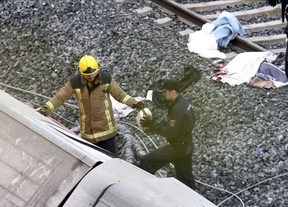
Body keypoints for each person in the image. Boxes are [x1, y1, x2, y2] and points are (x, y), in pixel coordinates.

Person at [38, 55, 145, 154]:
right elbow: (59, 98)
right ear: (81, 73)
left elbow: (120, 95)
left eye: (92, 74)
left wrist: (134, 103)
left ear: (97, 69)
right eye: (87, 75)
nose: (90, 77)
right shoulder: (75, 83)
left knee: (111, 162)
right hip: (89, 135)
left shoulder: (106, 79)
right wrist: (45, 109)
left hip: (107, 132)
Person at [139, 79, 196, 190]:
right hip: (187, 144)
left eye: (165, 92)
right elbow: (183, 124)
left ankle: (144, 191)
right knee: (185, 178)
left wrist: (153, 124)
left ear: (173, 91)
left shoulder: (178, 109)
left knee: (147, 161)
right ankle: (192, 199)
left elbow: (172, 132)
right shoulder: (184, 103)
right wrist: (154, 124)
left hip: (178, 147)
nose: (163, 94)